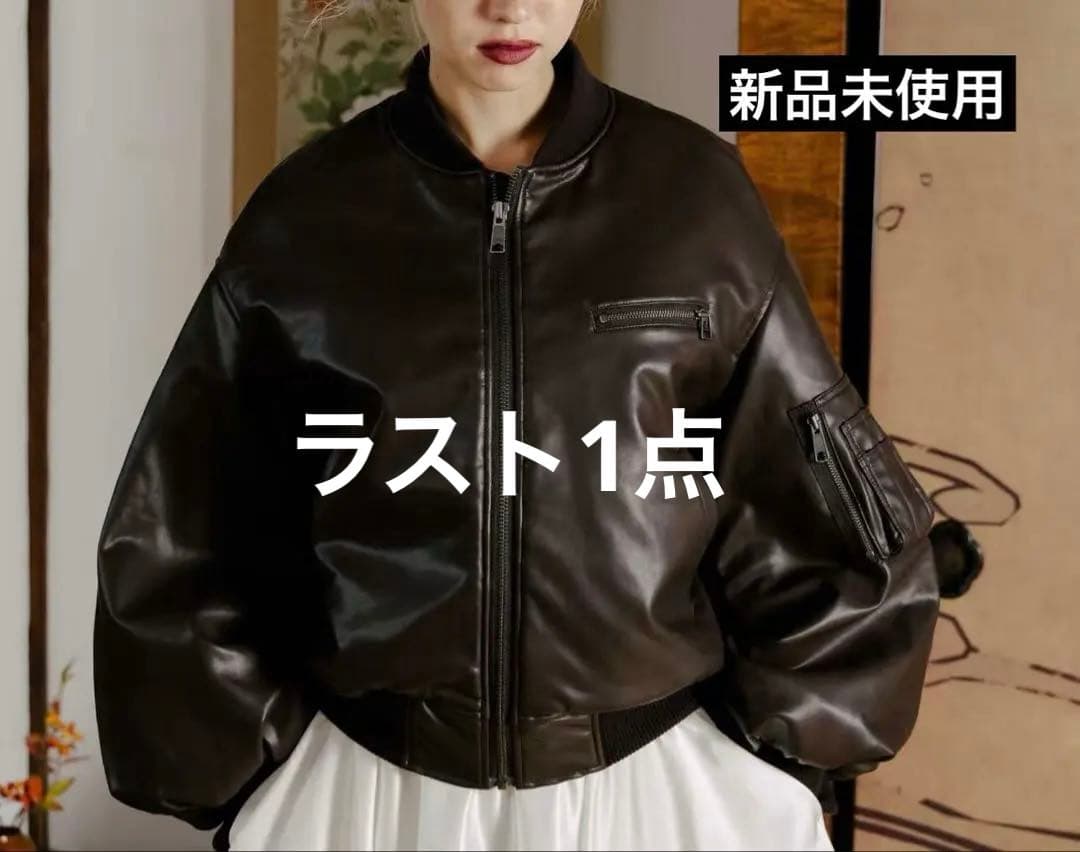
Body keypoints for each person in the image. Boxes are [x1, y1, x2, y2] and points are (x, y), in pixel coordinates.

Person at [93, 1, 941, 850]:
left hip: (658, 786)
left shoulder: (693, 193)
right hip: (369, 792)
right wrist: (252, 779)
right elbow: (185, 520)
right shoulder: (306, 216)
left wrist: (784, 765)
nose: (511, 7)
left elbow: (817, 493)